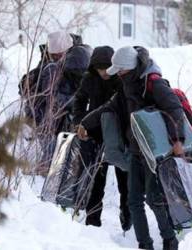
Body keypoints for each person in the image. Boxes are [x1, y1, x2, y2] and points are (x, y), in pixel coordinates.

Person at [78, 46, 184, 250]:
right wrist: (85, 122)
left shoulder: (154, 83)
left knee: (154, 199)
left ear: (129, 68)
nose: (117, 74)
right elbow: (108, 107)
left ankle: (170, 241)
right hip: (136, 150)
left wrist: (177, 140)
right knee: (134, 201)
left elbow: (174, 109)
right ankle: (145, 245)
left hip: (155, 152)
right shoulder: (126, 86)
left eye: (120, 70)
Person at [73, 46, 131, 231]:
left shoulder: (121, 79)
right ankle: (92, 223)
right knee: (95, 182)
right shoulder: (89, 79)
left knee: (126, 182)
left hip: (120, 136)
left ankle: (127, 222)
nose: (104, 72)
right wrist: (80, 122)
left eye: (107, 67)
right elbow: (79, 100)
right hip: (95, 134)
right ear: (93, 68)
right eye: (99, 68)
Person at [35, 30, 91, 176]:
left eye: (58, 56)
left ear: (66, 51)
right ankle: (53, 162)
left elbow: (80, 93)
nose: (55, 59)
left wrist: (58, 100)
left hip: (75, 106)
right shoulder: (52, 62)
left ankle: (57, 164)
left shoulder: (78, 58)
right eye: (53, 56)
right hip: (63, 105)